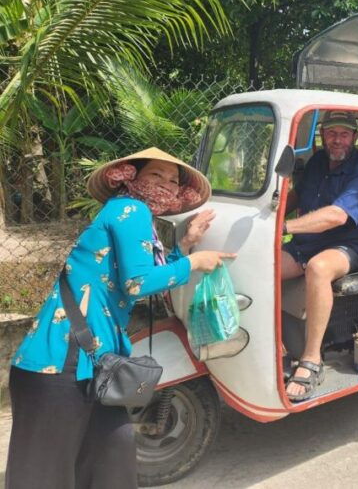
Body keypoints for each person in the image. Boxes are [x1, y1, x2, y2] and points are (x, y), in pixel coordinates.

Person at [5, 147, 234, 489]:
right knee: (44, 478)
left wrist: (184, 245)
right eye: (156, 175)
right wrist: (195, 263)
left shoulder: (135, 217)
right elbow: (137, 283)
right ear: (131, 176)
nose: (167, 185)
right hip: (58, 366)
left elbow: (150, 273)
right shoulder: (131, 208)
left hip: (94, 366)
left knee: (112, 460)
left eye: (173, 180)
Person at [281, 110, 358, 401]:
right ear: (323, 136)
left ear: (354, 137)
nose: (337, 140)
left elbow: (336, 216)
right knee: (264, 264)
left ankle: (312, 359)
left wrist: (283, 227)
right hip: (306, 243)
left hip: (347, 245)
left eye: (344, 134)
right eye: (332, 133)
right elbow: (297, 194)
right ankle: (278, 346)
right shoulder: (317, 162)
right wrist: (269, 217)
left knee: (319, 269)